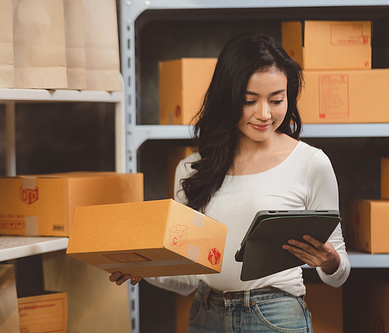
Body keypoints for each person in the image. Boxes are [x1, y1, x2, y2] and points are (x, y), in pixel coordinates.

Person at [110, 32, 350, 332]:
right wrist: (142, 267)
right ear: (227, 97)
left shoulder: (311, 163)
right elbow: (187, 278)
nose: (264, 114)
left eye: (277, 100)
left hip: (274, 317)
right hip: (206, 315)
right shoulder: (192, 170)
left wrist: (329, 261)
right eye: (249, 101)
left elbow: (339, 274)